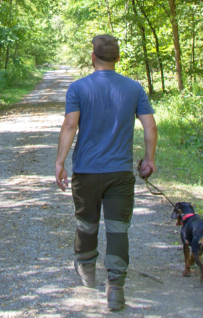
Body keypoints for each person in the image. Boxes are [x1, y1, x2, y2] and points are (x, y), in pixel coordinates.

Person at [54, 34, 158, 311]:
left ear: (93, 57)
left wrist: (60, 162)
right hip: (120, 173)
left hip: (86, 171)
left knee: (86, 223)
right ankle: (116, 288)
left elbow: (69, 126)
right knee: (118, 229)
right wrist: (149, 159)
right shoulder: (134, 88)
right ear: (118, 58)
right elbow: (150, 127)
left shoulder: (78, 88)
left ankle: (87, 271)